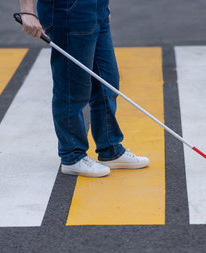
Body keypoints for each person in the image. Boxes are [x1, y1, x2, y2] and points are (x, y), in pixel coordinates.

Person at [18, 0, 149, 177]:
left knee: (107, 82)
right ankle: (72, 156)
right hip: (68, 10)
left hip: (95, 8)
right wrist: (27, 11)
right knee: (72, 86)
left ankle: (110, 150)